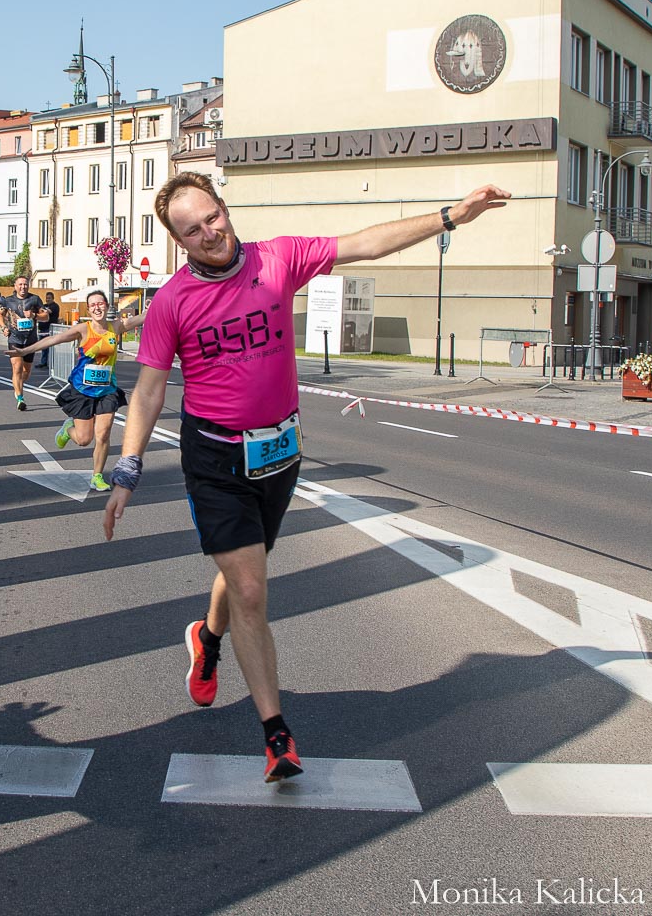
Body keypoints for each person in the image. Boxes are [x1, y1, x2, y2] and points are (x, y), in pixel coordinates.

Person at [103, 171, 508, 783]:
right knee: (251, 590)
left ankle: (206, 640)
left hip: (279, 452)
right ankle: (276, 735)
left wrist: (452, 216)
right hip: (214, 457)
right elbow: (150, 392)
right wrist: (127, 469)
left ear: (223, 208)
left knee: (248, 570)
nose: (210, 234)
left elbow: (365, 243)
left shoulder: (278, 259)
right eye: (193, 231)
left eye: (212, 217)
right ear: (178, 242)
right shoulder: (172, 302)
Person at [8, 289, 143, 492]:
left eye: (101, 303)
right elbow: (53, 340)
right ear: (88, 309)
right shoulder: (83, 329)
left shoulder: (116, 327)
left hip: (107, 390)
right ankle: (67, 429)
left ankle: (97, 476)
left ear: (107, 306)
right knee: (83, 439)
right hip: (83, 390)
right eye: (93, 305)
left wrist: (166, 300)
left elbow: (144, 317)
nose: (97, 307)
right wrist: (26, 350)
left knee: (104, 433)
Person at [0, 276, 42, 409]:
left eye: (25, 284)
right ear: (15, 286)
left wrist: (34, 316)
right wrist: (4, 327)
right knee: (17, 367)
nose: (23, 287)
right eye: (20, 284)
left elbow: (46, 316)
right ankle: (20, 398)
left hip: (30, 340)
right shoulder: (8, 300)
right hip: (14, 338)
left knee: (26, 372)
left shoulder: (35, 299)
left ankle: (17, 385)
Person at [35, 291, 60, 370]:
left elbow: (48, 311)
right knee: (43, 347)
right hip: (42, 329)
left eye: (49, 298)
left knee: (51, 347)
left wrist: (43, 310)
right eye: (46, 298)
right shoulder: (44, 305)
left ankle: (53, 363)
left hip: (50, 329)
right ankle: (44, 362)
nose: (47, 299)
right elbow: (39, 311)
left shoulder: (55, 306)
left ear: (53, 298)